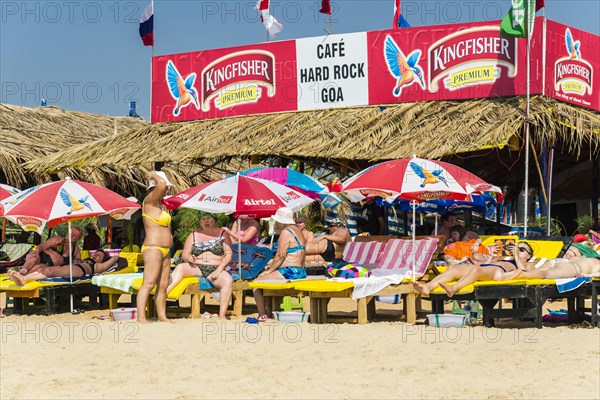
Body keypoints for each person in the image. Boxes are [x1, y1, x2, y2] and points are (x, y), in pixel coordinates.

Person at [166, 213, 233, 320]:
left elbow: (228, 254)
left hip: (215, 267)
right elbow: (185, 253)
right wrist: (189, 258)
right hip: (196, 266)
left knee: (228, 281)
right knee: (181, 268)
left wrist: (219, 270)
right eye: (203, 219)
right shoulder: (193, 234)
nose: (206, 221)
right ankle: (164, 294)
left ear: (214, 219)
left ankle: (222, 315)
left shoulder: (222, 234)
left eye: (208, 218)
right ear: (200, 221)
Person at [413, 241, 535, 297]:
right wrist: (490, 255)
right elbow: (479, 258)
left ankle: (453, 288)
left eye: (522, 249)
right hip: (485, 266)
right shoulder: (503, 257)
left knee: (477, 271)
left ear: (529, 255)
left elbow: (525, 273)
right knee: (453, 269)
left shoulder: (529, 264)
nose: (518, 250)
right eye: (517, 248)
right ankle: (427, 287)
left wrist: (517, 257)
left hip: (497, 271)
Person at [253, 207, 307, 321]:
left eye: (277, 220)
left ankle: (262, 314)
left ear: (282, 221)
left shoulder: (286, 232)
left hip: (290, 271)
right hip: (299, 270)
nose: (276, 223)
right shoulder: (298, 231)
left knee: (256, 283)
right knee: (265, 282)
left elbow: (280, 255)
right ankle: (268, 313)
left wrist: (270, 270)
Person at [137, 171, 173, 323]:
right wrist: (153, 174)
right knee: (149, 283)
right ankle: (141, 317)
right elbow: (161, 184)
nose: (167, 190)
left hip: (165, 250)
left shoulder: (161, 206)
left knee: (163, 285)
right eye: (166, 188)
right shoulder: (149, 201)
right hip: (153, 248)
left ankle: (162, 316)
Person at [8, 249, 119, 286]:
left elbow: (115, 258)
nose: (95, 255)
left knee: (50, 270)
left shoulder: (98, 265)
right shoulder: (87, 259)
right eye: (95, 253)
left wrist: (114, 255)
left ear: (102, 259)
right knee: (42, 270)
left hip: (80, 270)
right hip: (74, 267)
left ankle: (24, 279)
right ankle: (23, 278)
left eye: (99, 255)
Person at [502, 256, 600, 280]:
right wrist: (588, 275)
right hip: (572, 267)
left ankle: (503, 275)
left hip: (559, 260)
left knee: (536, 271)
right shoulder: (597, 264)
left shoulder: (587, 257)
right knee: (545, 274)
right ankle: (523, 273)